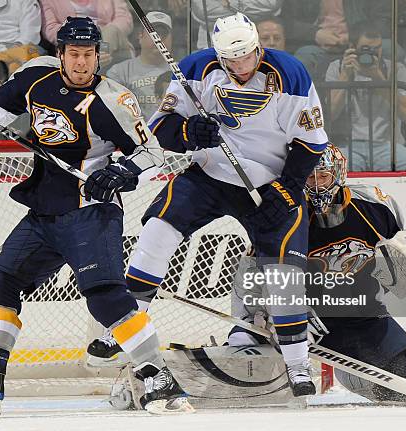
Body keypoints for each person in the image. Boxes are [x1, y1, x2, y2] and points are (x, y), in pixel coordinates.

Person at [0, 16, 193, 416]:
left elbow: (151, 153)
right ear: (59, 53)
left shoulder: (114, 99)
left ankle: (159, 380)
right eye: (74, 54)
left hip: (91, 211)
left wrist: (120, 172)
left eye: (89, 54)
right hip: (43, 210)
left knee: (105, 297)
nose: (81, 63)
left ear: (99, 55)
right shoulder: (35, 76)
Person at [89, 12, 329, 397]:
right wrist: (190, 132)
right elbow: (162, 129)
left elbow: (311, 142)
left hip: (271, 184)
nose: (240, 66)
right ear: (218, 55)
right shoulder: (195, 68)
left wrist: (286, 190)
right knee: (157, 228)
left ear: (257, 47)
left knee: (283, 272)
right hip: (210, 175)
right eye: (231, 59)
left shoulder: (290, 74)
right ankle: (126, 323)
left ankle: (299, 365)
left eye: (247, 56)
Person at [228, 144, 406, 404]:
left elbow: (398, 251)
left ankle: (354, 375)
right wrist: (253, 323)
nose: (316, 186)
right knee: (259, 338)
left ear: (338, 174)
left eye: (323, 176)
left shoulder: (374, 205)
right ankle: (251, 347)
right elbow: (254, 274)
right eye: (309, 177)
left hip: (362, 313)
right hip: (306, 317)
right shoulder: (283, 216)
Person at [325, 20, 406, 171]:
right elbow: (330, 115)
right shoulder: (337, 68)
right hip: (349, 145)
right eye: (366, 49)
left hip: (389, 146)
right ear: (352, 47)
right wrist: (345, 76)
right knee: (332, 168)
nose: (372, 54)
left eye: (377, 49)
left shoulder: (396, 69)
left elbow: (405, 113)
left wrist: (379, 79)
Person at [106, 11, 172, 121]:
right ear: (140, 36)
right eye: (154, 33)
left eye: (164, 34)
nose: (159, 38)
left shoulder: (182, 71)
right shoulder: (119, 72)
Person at [40, 0, 134, 68]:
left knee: (111, 31)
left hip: (111, 42)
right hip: (74, 42)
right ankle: (93, 65)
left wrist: (97, 33)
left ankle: (93, 65)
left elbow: (125, 19)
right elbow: (50, 29)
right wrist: (82, 34)